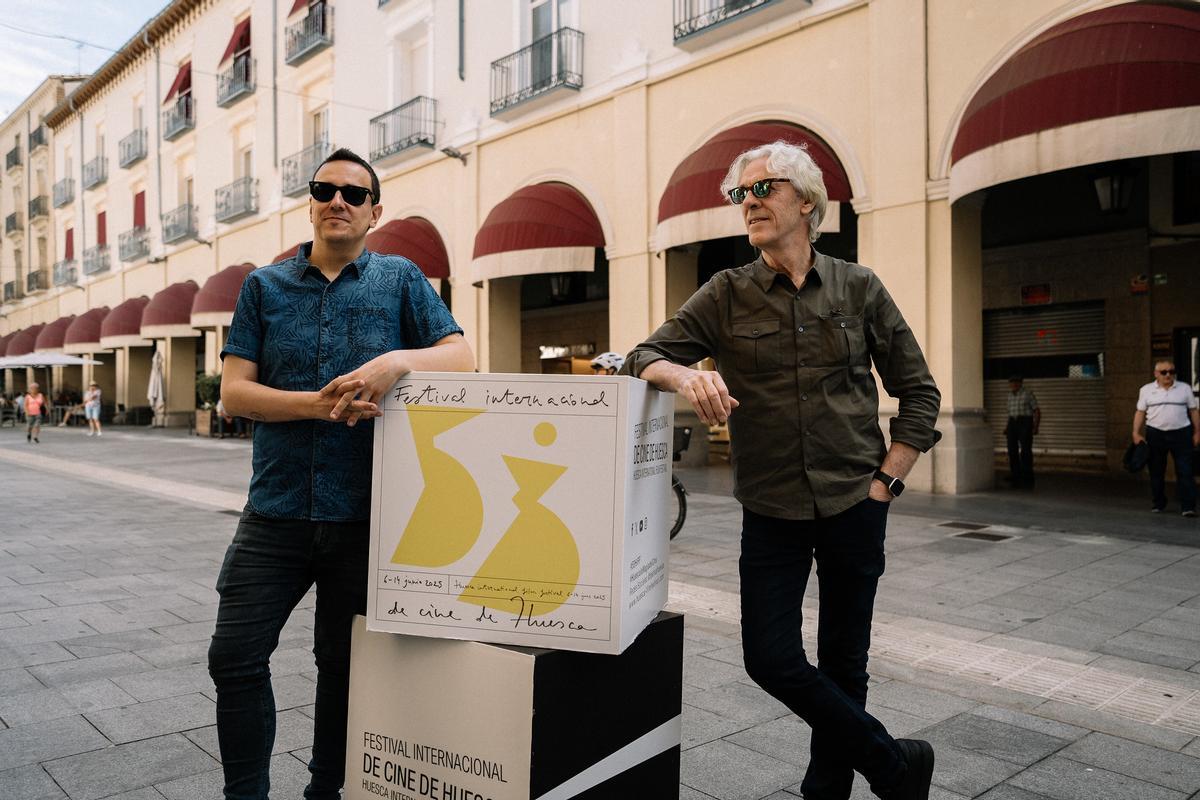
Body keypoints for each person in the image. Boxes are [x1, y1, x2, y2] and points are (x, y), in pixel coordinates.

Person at [624, 140, 941, 800]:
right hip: (771, 511)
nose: (749, 203)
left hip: (857, 501)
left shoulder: (859, 287)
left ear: (807, 201)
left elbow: (921, 393)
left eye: (763, 188)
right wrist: (683, 373)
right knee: (770, 658)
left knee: (845, 663)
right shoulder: (727, 294)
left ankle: (826, 790)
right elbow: (643, 355)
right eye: (741, 194)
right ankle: (895, 764)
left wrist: (887, 482)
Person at [208, 147, 475, 800]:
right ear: (310, 201)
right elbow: (234, 395)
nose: (338, 201)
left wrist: (396, 364)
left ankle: (324, 792)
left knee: (343, 666)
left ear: (374, 212)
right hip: (274, 513)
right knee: (234, 658)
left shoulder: (402, 280)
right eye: (325, 189)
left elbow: (462, 356)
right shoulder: (262, 287)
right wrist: (316, 406)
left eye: (354, 195)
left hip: (365, 515)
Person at [1132, 358, 1198, 517]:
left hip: (1181, 433)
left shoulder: (1184, 389)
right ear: (1156, 374)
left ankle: (1188, 506)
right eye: (1164, 372)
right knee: (1156, 471)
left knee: (1185, 471)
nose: (1168, 375)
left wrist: (1197, 432)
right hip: (1156, 434)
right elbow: (1140, 412)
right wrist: (1135, 432)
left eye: (1171, 372)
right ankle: (1158, 503)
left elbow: (1194, 411)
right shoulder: (1146, 390)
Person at [1004, 375, 1040, 488]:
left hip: (1025, 422)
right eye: (1011, 383)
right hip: (1012, 422)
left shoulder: (1028, 393)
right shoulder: (1009, 395)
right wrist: (1007, 427)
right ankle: (1015, 475)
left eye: (1016, 382)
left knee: (1025, 450)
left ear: (1021, 383)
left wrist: (1035, 426)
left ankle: (1027, 478)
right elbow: (1009, 413)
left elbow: (1037, 411)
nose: (1013, 385)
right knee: (1011, 450)